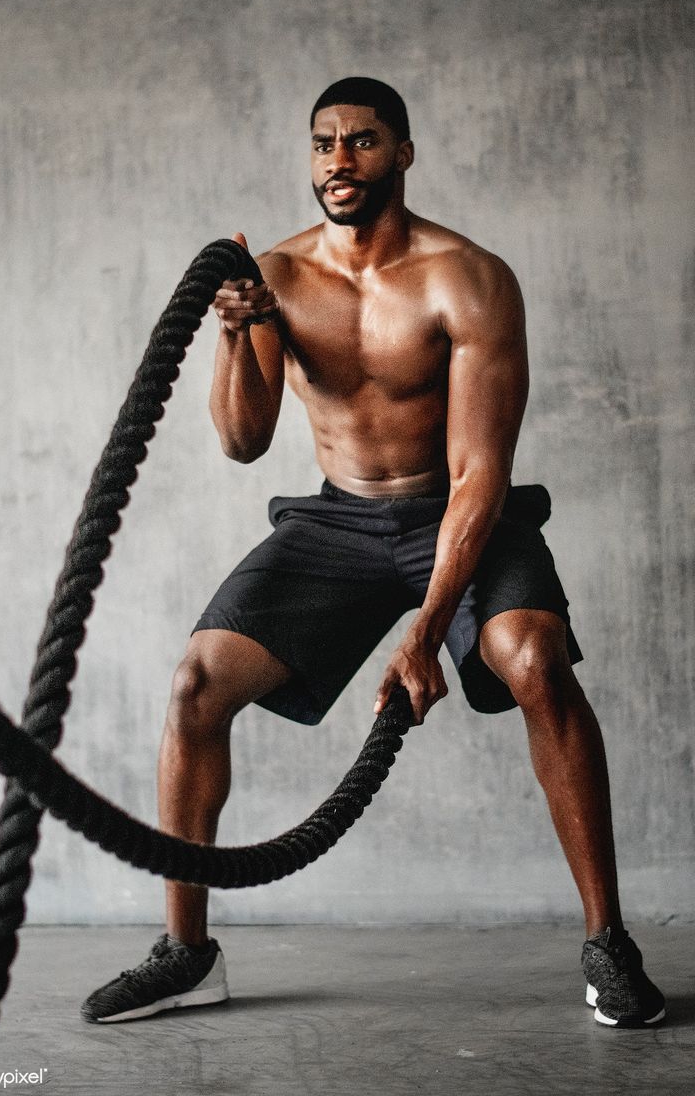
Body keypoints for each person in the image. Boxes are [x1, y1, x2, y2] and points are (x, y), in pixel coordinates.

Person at [81, 77, 664, 1029]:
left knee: (538, 662)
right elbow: (242, 440)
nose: (337, 162)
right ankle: (186, 953)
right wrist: (238, 335)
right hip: (338, 524)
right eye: (322, 144)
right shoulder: (279, 274)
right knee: (195, 685)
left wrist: (428, 630)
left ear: (402, 152)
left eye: (360, 142)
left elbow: (480, 471)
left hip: (463, 511)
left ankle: (608, 941)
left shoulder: (466, 278)